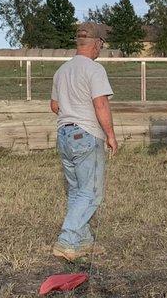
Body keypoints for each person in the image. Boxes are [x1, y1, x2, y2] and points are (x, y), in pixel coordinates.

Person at [50, 23, 118, 261]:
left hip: (64, 135)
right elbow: (100, 104)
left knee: (77, 190)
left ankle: (84, 240)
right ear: (97, 43)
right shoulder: (94, 69)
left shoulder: (62, 71)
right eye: (102, 45)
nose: (101, 49)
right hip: (86, 135)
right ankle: (67, 240)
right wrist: (110, 135)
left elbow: (54, 106)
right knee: (91, 192)